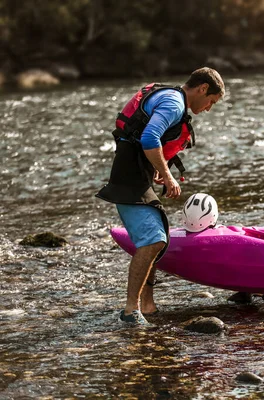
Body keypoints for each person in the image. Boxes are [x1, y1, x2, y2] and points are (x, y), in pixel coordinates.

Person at [96, 67, 225, 325]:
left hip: (135, 175)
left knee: (158, 238)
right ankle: (131, 311)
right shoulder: (174, 103)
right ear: (202, 89)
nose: (209, 108)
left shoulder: (171, 97)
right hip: (129, 178)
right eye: (211, 101)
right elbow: (149, 137)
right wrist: (167, 175)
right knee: (153, 241)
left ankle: (147, 305)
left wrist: (155, 169)